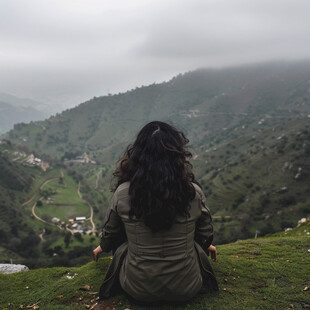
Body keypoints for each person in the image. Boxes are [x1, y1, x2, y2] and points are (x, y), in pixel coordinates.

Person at [93, 121, 219, 303]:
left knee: (123, 231)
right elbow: (205, 233)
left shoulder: (123, 193)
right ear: (177, 154)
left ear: (137, 154)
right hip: (187, 287)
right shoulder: (193, 193)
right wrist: (205, 245)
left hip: (137, 288)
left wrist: (102, 246)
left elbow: (112, 231)